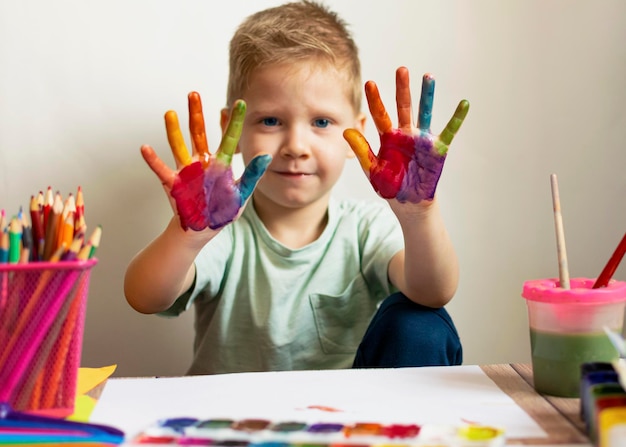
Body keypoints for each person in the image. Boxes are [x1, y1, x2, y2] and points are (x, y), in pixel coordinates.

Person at [124, 0, 469, 375]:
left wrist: (420, 215)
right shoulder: (223, 232)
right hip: (233, 425)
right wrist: (187, 237)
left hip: (343, 426)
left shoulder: (364, 230)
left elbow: (433, 292)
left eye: (321, 121)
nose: (296, 146)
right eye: (270, 120)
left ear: (358, 133)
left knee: (419, 324)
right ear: (232, 130)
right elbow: (145, 297)